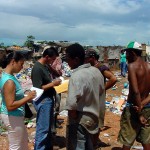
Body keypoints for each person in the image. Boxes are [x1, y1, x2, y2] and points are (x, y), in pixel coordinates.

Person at [65, 43, 105, 150]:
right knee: (89, 145)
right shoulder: (96, 72)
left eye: (68, 59)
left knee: (78, 146)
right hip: (93, 118)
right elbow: (101, 91)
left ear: (76, 59)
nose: (67, 62)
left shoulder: (76, 76)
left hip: (80, 120)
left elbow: (71, 103)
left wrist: (74, 116)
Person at [0, 51, 36, 150]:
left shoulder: (10, 77)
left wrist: (26, 96)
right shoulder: (9, 81)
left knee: (23, 143)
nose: (22, 67)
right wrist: (27, 97)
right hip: (12, 116)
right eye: (21, 64)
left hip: (15, 116)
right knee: (16, 146)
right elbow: (10, 105)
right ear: (13, 62)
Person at [118, 41, 150, 150]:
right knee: (146, 139)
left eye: (127, 53)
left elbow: (136, 91)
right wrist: (143, 104)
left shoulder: (131, 66)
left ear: (132, 53)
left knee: (128, 139)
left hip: (134, 108)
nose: (126, 56)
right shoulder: (149, 66)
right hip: (147, 107)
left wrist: (139, 111)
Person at [84, 48, 117, 148]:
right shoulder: (90, 67)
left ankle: (94, 144)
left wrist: (102, 89)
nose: (85, 60)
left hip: (98, 99)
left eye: (87, 58)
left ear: (92, 58)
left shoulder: (100, 67)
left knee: (96, 122)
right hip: (90, 99)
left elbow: (113, 78)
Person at [31, 47, 61, 150]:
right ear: (47, 57)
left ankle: (47, 147)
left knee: (47, 128)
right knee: (43, 129)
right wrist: (53, 84)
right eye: (52, 59)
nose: (53, 62)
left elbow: (57, 74)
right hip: (43, 100)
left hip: (48, 99)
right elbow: (38, 88)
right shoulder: (37, 68)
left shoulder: (45, 66)